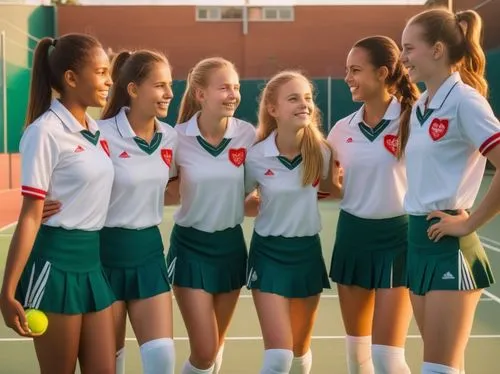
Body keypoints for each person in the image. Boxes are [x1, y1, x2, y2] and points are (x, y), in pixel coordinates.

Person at [41, 49, 178, 374]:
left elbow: (176, 185)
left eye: (170, 85)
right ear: (133, 89)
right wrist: (45, 198)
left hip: (148, 254)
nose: (169, 94)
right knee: (106, 364)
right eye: (160, 86)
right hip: (103, 256)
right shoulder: (99, 133)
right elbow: (66, 167)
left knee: (161, 359)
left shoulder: (172, 137)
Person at [0, 34, 116, 373]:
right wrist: (7, 293)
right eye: (101, 72)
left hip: (92, 265)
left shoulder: (94, 130)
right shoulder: (45, 131)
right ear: (70, 78)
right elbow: (31, 217)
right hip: (55, 266)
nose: (109, 81)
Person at [400, 8, 500, 374]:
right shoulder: (420, 106)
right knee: (445, 367)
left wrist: (469, 223)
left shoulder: (466, 101)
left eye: (409, 48)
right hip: (418, 241)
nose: (403, 57)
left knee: (437, 369)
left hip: (450, 248)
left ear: (438, 49)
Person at [326, 35, 419, 374]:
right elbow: (326, 184)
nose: (348, 78)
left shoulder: (414, 120)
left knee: (387, 358)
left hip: (398, 238)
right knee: (358, 357)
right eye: (347, 70)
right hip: (352, 236)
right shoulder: (340, 130)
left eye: (355, 70)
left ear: (382, 73)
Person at [164, 57, 256, 374]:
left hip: (231, 247)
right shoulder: (175, 138)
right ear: (201, 94)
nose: (233, 94)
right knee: (203, 351)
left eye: (236, 87)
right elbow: (160, 190)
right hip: (190, 249)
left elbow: (252, 195)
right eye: (224, 88)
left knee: (215, 346)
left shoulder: (249, 136)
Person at [244, 70, 333, 374]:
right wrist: (264, 204)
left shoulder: (321, 152)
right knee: (278, 355)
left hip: (307, 253)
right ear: (273, 109)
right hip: (268, 254)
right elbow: (242, 202)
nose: (304, 104)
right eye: (293, 98)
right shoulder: (255, 156)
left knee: (299, 349)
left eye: (307, 98)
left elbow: (331, 191)